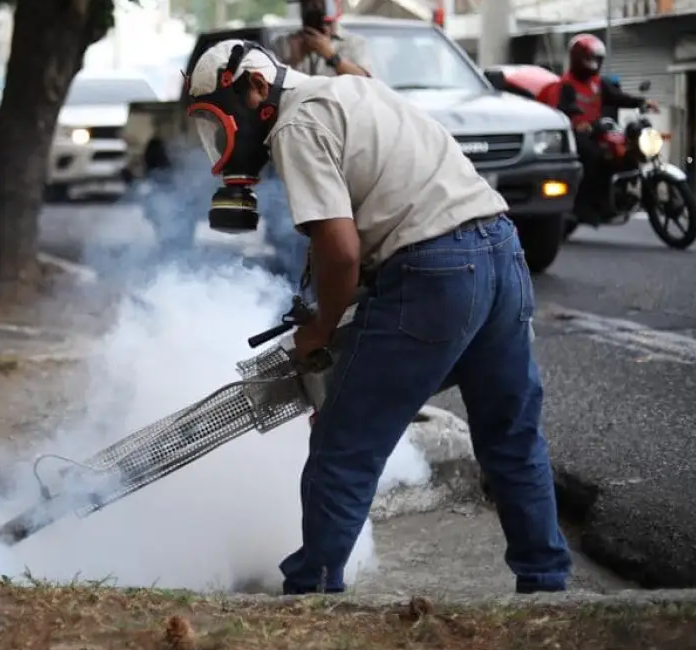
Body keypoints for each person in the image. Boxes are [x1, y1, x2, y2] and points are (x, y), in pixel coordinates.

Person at [183, 38, 572, 596]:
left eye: (220, 122)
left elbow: (340, 253)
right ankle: (546, 585)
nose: (224, 140)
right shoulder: (352, 89)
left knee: (346, 442)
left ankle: (310, 592)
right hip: (501, 252)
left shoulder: (294, 126)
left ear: (256, 88)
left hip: (437, 270)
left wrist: (316, 334)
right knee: (510, 436)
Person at [536, 34, 659, 221]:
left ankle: (617, 194)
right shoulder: (566, 85)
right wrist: (578, 122)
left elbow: (618, 97)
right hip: (574, 134)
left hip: (597, 130)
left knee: (622, 151)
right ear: (578, 59)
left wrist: (642, 102)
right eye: (589, 59)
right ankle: (583, 205)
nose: (593, 64)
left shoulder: (598, 83)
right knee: (594, 156)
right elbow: (562, 109)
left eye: (596, 59)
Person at [274, 0, 372, 78]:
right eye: (311, 5)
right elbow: (269, 86)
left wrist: (331, 56)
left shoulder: (354, 43)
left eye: (324, 4)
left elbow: (366, 82)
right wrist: (294, 59)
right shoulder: (284, 44)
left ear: (337, 6)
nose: (318, 10)